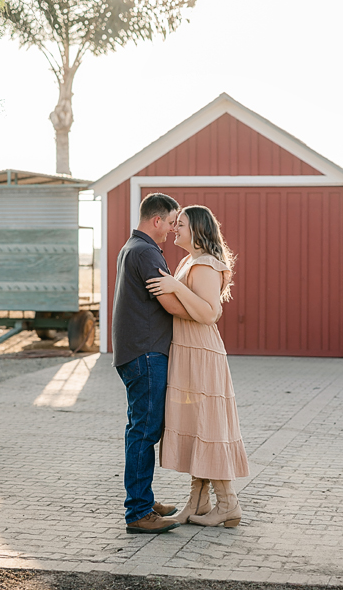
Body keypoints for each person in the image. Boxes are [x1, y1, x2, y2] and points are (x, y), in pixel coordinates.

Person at [146, 205, 249, 527]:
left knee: (207, 426)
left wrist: (176, 287)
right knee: (196, 425)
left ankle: (228, 504)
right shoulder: (189, 261)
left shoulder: (204, 264)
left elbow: (208, 313)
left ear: (199, 230)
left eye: (182, 224)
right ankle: (198, 501)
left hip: (201, 352)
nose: (175, 227)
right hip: (187, 351)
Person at [112, 192, 191, 534]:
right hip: (145, 353)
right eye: (172, 222)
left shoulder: (131, 247)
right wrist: (203, 312)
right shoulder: (146, 251)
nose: (173, 229)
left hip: (137, 352)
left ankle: (143, 498)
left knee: (143, 428)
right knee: (144, 431)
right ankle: (139, 512)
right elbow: (170, 302)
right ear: (156, 220)